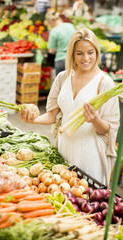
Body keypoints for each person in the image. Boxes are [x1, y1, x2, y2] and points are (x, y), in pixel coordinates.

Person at [19, 28, 120, 186]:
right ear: (72, 54)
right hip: (64, 149)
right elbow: (51, 116)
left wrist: (95, 120)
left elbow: (109, 128)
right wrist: (32, 120)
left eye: (90, 52)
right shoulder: (62, 77)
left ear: (97, 53)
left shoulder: (104, 82)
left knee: (86, 201)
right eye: (79, 53)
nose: (85, 58)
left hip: (90, 154)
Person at [45, 11, 76, 76]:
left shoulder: (54, 31)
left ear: (51, 21)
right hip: (72, 58)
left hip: (61, 60)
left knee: (60, 84)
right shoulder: (71, 26)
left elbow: (51, 50)